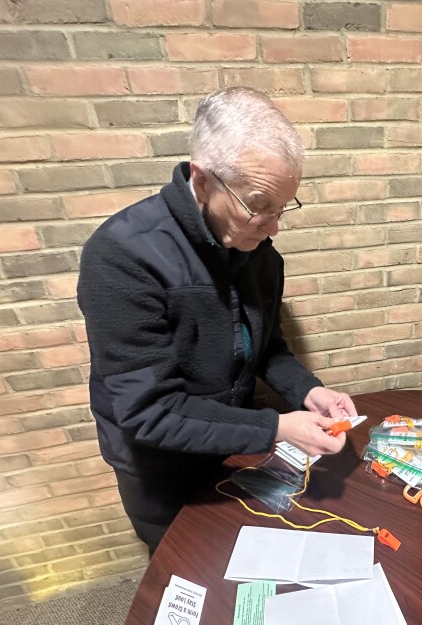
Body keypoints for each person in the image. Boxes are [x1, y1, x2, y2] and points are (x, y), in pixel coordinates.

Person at [77, 88, 357, 556]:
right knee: (181, 562)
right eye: (258, 207)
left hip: (234, 443)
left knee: (240, 556)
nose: (273, 227)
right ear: (202, 180)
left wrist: (308, 391)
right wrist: (278, 427)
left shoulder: (259, 253)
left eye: (282, 208)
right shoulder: (121, 255)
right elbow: (149, 411)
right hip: (159, 465)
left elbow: (267, 347)